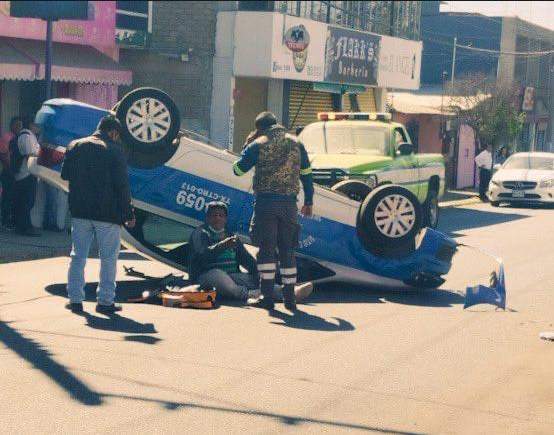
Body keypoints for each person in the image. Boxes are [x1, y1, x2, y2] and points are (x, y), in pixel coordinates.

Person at [233, 111, 314, 311]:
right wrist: (309, 201)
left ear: (259, 127)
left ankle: (267, 297)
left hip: (266, 205)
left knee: (267, 251)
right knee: (288, 251)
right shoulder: (297, 143)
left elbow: (238, 170)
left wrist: (247, 144)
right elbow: (307, 174)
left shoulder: (258, 143)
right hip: (289, 206)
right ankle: (289, 299)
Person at [61, 115, 135, 314]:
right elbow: (122, 186)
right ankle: (105, 302)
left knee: (78, 256)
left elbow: (65, 175)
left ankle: (75, 299)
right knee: (108, 258)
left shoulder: (75, 146)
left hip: (80, 210)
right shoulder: (115, 151)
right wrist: (128, 213)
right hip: (108, 214)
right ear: (113, 132)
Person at [189, 201, 314, 304]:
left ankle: (288, 293)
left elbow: (246, 260)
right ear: (207, 218)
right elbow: (202, 255)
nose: (217, 218)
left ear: (225, 219)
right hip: (205, 277)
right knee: (217, 275)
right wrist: (222, 246)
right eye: (214, 215)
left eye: (221, 215)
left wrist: (258, 273)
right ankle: (249, 294)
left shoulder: (230, 236)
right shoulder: (200, 233)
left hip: (231, 275)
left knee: (252, 279)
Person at [12, 117, 41, 236]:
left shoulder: (30, 135)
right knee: (26, 201)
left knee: (28, 202)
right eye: (36, 125)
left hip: (28, 173)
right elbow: (30, 154)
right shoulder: (26, 135)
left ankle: (26, 225)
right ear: (30, 125)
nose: (38, 128)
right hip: (26, 174)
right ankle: (23, 228)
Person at [0, 117, 22, 229]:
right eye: (17, 125)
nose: (19, 127)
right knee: (7, 197)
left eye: (20, 125)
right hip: (8, 171)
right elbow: (3, 155)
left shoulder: (19, 137)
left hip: (15, 172)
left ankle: (12, 220)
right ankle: (4, 221)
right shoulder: (6, 137)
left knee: (13, 197)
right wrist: (10, 168)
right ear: (11, 126)